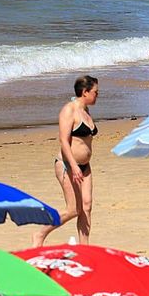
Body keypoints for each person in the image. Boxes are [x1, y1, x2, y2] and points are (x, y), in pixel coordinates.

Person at [34, 75, 98, 247]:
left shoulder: (86, 111)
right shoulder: (69, 110)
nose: (97, 95)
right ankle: (40, 234)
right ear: (85, 92)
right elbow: (63, 140)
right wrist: (74, 166)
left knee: (86, 207)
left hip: (85, 167)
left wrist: (81, 165)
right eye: (95, 92)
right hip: (67, 165)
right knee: (73, 210)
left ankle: (85, 248)